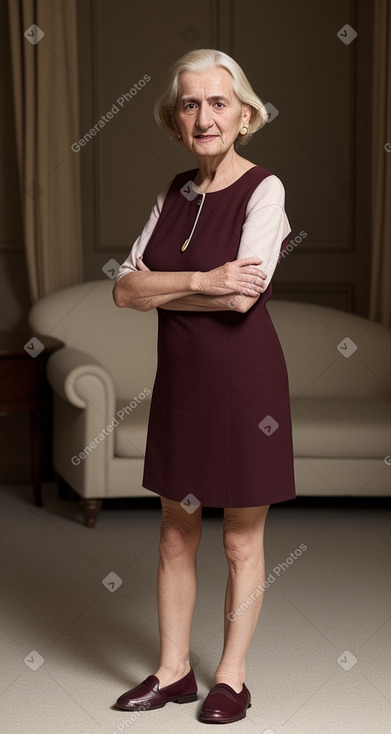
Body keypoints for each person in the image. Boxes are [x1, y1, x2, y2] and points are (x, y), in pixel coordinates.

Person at [112, 48, 296, 725]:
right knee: (172, 536)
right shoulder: (171, 192)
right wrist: (198, 280)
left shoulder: (265, 190)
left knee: (240, 541)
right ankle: (172, 673)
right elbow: (123, 290)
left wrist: (190, 290)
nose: (204, 115)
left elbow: (241, 301)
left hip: (245, 388)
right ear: (175, 118)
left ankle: (232, 679)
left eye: (218, 102)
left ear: (244, 114)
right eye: (190, 103)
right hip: (180, 385)